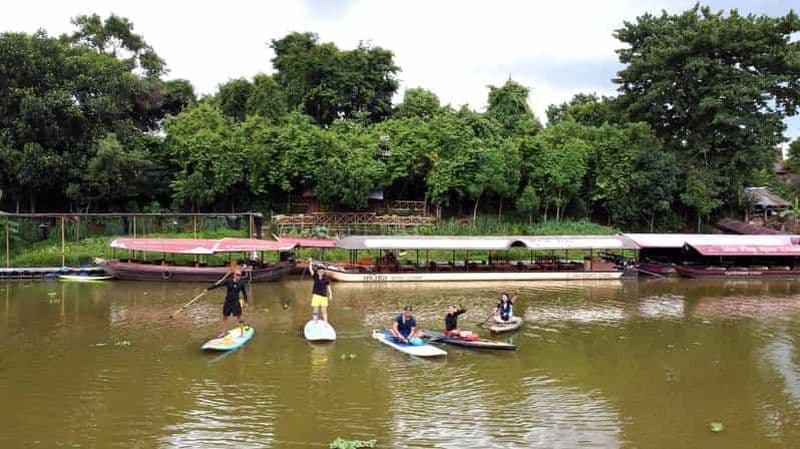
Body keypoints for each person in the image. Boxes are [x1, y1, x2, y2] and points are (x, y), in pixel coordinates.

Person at [207, 270, 248, 338]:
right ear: (234, 275)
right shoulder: (228, 281)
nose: (239, 276)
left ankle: (242, 333)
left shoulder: (241, 283)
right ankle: (223, 333)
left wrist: (246, 302)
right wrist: (208, 289)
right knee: (225, 317)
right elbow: (218, 285)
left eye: (240, 275)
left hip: (236, 302)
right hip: (228, 302)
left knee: (239, 317)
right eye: (237, 275)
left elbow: (244, 293)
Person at [308, 258, 333, 323]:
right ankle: (315, 321)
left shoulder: (326, 278)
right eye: (319, 271)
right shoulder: (315, 276)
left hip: (324, 296)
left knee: (324, 310)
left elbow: (328, 286)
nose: (320, 272)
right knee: (315, 309)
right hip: (316, 295)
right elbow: (310, 269)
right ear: (317, 271)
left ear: (323, 271)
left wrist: (330, 294)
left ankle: (325, 322)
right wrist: (310, 263)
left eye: (322, 271)